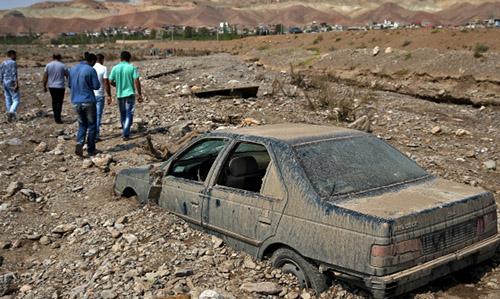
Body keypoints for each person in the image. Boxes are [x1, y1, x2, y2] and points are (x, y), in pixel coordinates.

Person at [68, 52, 100, 157]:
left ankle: (79, 143)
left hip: (75, 101)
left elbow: (69, 85)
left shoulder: (72, 69)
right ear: (92, 61)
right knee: (92, 125)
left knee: (82, 124)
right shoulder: (90, 70)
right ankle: (91, 149)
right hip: (88, 101)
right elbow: (96, 86)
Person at [109, 51, 143, 141]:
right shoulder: (132, 67)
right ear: (129, 58)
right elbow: (136, 81)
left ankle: (125, 130)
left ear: (120, 58)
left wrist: (117, 85)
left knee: (123, 114)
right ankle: (126, 133)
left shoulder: (115, 68)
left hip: (120, 94)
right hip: (130, 94)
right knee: (129, 113)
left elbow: (110, 81)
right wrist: (139, 94)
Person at [43, 54, 68, 123]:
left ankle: (55, 116)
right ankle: (58, 117)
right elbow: (67, 75)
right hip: (60, 86)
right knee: (59, 102)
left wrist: (44, 86)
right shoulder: (63, 65)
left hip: (51, 86)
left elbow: (45, 76)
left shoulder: (48, 65)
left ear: (53, 57)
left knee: (54, 101)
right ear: (60, 57)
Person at [93, 53, 112, 141]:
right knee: (97, 115)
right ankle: (96, 135)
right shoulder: (103, 68)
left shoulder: (91, 67)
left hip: (90, 95)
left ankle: (90, 134)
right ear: (101, 60)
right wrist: (109, 95)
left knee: (90, 116)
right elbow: (106, 82)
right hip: (100, 95)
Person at [0, 50, 20, 122]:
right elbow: (14, 74)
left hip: (4, 83)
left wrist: (1, 82)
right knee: (16, 99)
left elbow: (0, 73)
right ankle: (11, 112)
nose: (16, 57)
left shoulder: (3, 62)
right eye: (15, 55)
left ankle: (9, 114)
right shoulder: (13, 63)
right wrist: (16, 84)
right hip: (11, 82)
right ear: (12, 55)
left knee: (8, 98)